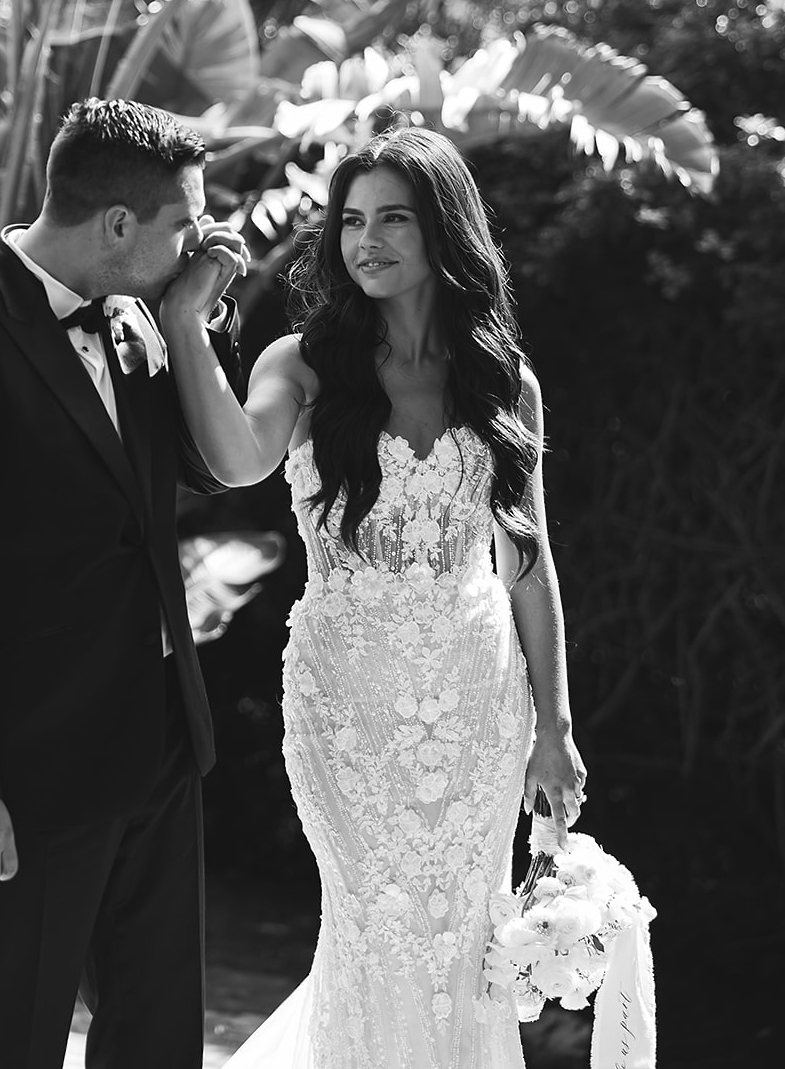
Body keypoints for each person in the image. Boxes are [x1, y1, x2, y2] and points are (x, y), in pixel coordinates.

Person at [160, 125, 587, 1069]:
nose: (367, 240)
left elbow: (528, 559)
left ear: (444, 229)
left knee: (464, 935)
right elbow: (234, 460)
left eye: (394, 217)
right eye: (352, 221)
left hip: (479, 703)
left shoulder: (504, 381)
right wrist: (188, 326)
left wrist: (552, 728)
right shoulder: (301, 362)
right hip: (345, 701)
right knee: (370, 923)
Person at [0, 97, 248, 1069]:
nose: (200, 240)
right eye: (184, 226)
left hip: (159, 744)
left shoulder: (136, 320)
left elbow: (202, 471)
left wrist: (190, 315)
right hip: (25, 775)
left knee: (159, 1043)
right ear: (117, 226)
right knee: (9, 1041)